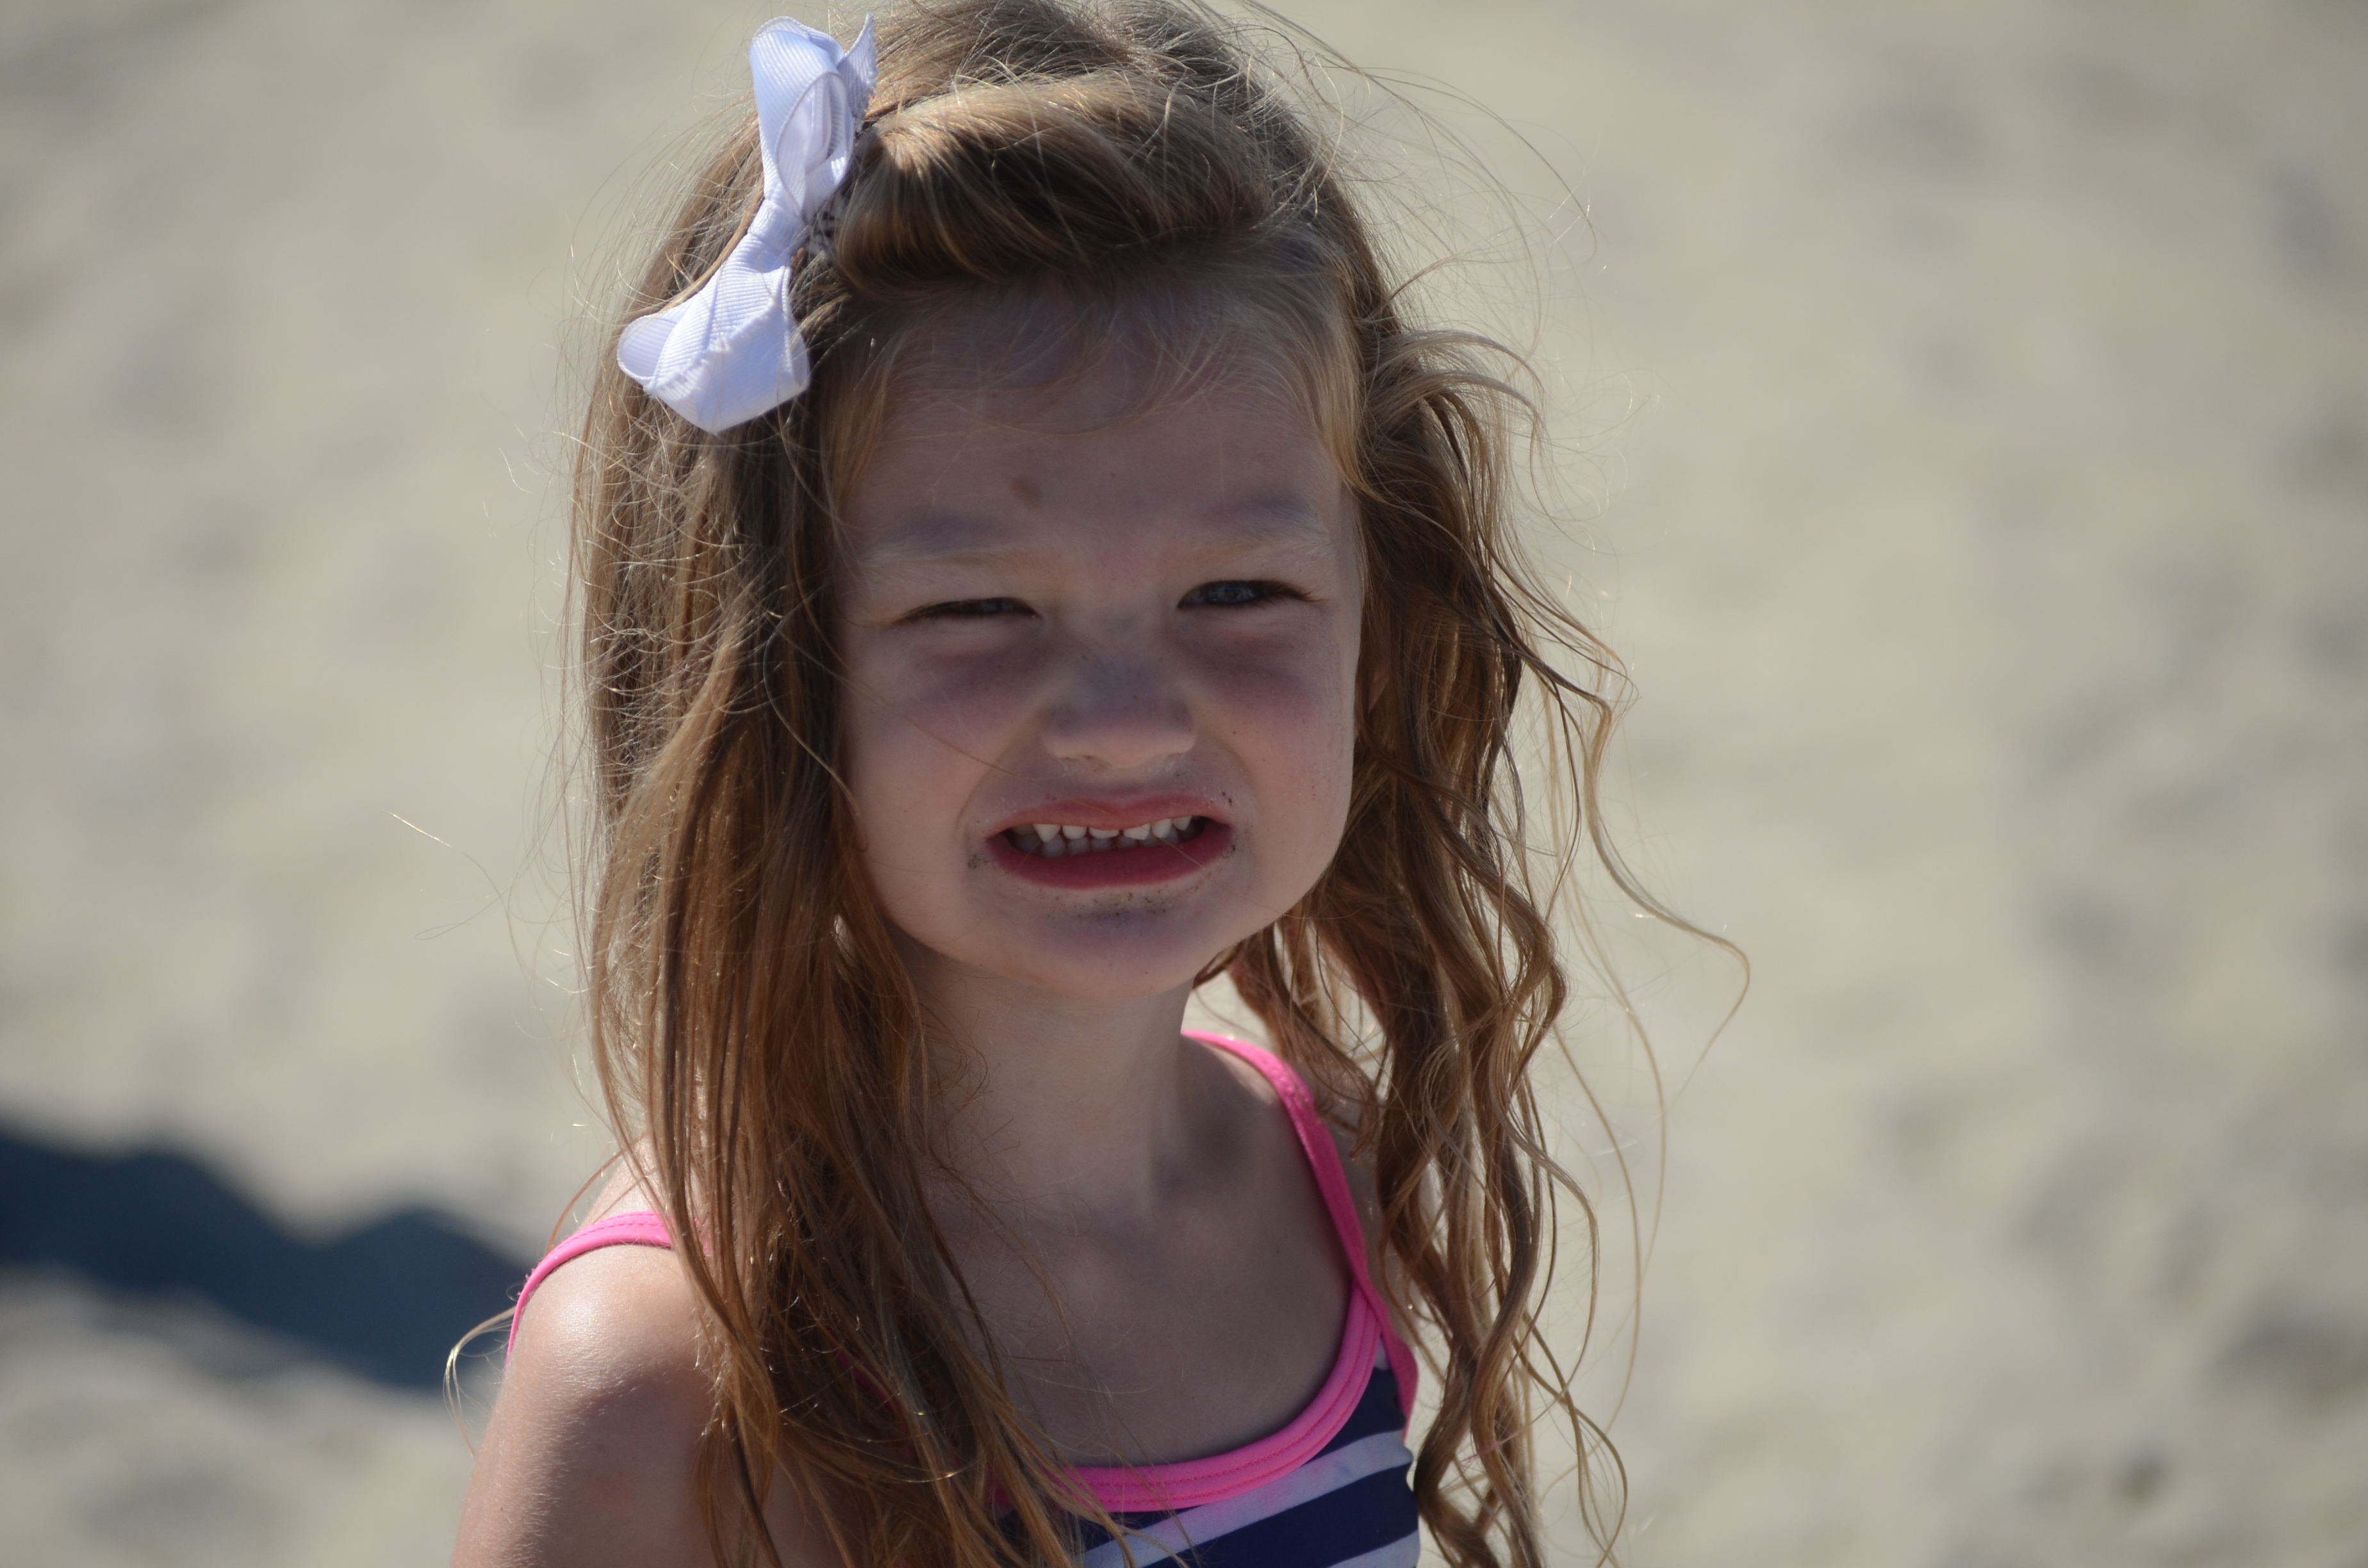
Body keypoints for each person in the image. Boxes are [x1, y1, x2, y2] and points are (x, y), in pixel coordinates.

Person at [452, 3, 1657, 1563]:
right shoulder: (670, 1384)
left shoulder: (1337, 1189)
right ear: (762, 667)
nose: (1124, 725)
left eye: (1238, 592)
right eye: (978, 609)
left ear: (1386, 620)